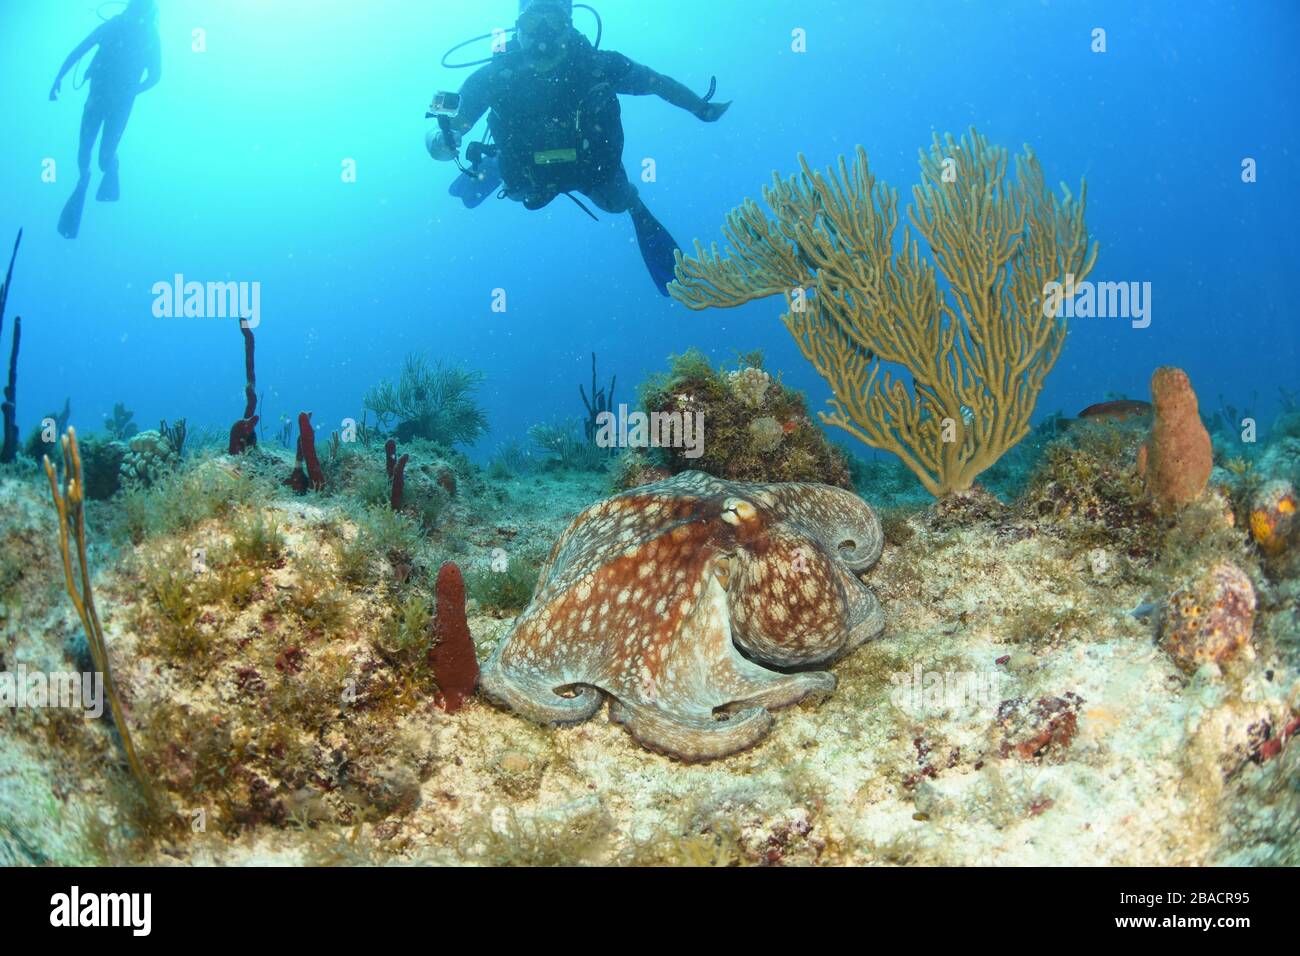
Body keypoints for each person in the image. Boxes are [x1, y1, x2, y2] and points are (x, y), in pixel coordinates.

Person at [428, 0, 731, 295]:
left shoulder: (598, 65)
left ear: (569, 26)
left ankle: (635, 206)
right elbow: (441, 128)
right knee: (516, 189)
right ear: (518, 28)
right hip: (528, 175)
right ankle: (494, 164)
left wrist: (698, 106)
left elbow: (655, 82)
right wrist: (443, 142)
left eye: (554, 22)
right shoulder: (494, 76)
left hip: (592, 170)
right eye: (533, 22)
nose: (543, 34)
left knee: (617, 202)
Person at [49, 0, 162, 239]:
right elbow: (81, 49)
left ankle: (107, 170)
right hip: (102, 99)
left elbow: (155, 75)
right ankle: (85, 179)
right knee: (86, 153)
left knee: (103, 156)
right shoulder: (119, 27)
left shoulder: (148, 35)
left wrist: (133, 90)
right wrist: (58, 78)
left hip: (115, 103)